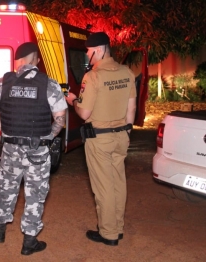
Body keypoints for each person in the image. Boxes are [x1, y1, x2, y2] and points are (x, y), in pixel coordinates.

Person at [0, 42, 67, 255]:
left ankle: (0, 231)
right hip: (38, 151)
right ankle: (29, 242)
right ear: (36, 60)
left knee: (6, 188)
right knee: (35, 194)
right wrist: (48, 137)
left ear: (18, 61)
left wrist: (10, 134)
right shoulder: (49, 84)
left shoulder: (2, 84)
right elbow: (60, 118)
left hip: (11, 149)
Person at [65, 32, 136, 246]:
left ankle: (108, 233)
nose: (87, 55)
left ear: (97, 49)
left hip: (99, 139)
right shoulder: (127, 72)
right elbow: (131, 107)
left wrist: (73, 100)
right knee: (118, 183)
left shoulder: (93, 76)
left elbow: (84, 113)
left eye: (88, 50)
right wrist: (127, 133)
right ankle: (118, 227)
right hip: (122, 135)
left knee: (103, 187)